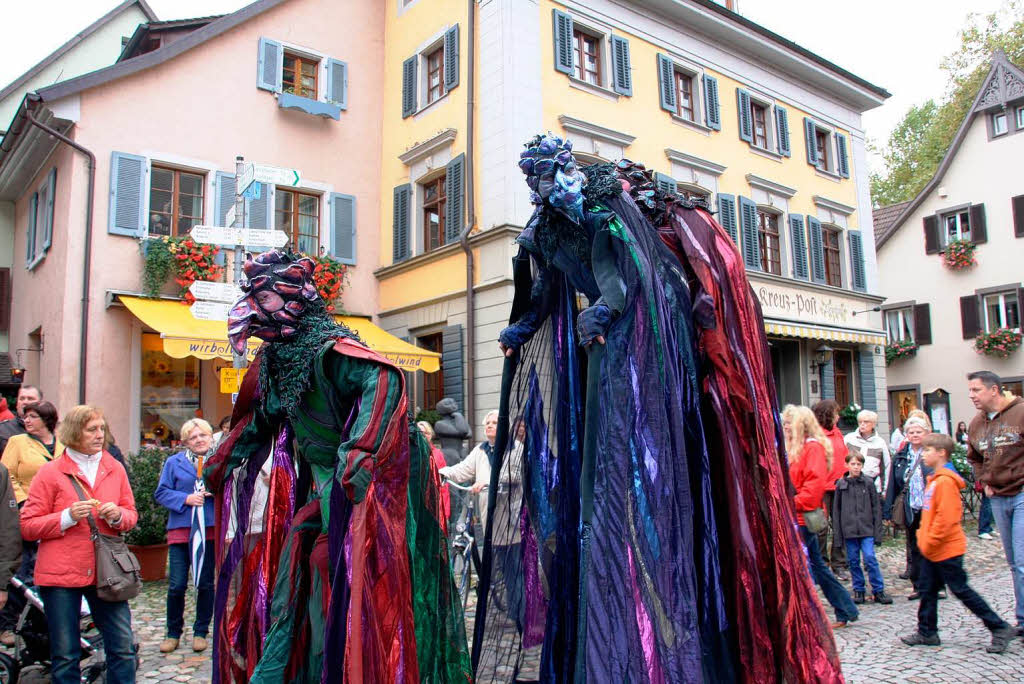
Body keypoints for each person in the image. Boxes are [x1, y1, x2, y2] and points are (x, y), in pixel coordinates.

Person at [206, 251, 469, 682]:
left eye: (266, 300)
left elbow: (382, 378)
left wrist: (360, 449)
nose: (254, 312)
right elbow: (262, 418)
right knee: (302, 576)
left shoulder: (331, 349)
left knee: (347, 578)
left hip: (365, 492)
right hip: (325, 487)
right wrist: (225, 455)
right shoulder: (278, 361)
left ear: (295, 302)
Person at [20, 405, 138, 684]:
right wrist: (65, 517)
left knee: (122, 648)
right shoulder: (50, 473)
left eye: (102, 428)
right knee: (65, 654)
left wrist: (118, 515)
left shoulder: (114, 467)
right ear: (75, 433)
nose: (100, 435)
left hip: (106, 572)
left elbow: (131, 515)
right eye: (92, 429)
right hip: (60, 573)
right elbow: (27, 526)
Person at [901, 433, 1016, 652]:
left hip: (945, 549)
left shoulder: (944, 482)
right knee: (927, 588)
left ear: (941, 453)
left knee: (961, 590)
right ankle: (927, 631)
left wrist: (930, 541)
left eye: (927, 450)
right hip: (932, 549)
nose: (923, 454)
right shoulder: (935, 480)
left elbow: (947, 518)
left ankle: (999, 627)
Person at [439, 410, 524, 629]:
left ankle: (520, 615)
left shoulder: (515, 449)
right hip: (490, 520)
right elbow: (463, 470)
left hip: (511, 522)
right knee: (499, 566)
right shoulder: (480, 450)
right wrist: (442, 471)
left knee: (514, 568)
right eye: (487, 423)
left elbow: (517, 475)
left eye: (495, 422)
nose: (490, 426)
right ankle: (503, 605)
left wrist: (488, 482)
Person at [782, 405, 858, 628]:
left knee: (813, 566)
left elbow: (813, 490)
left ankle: (829, 611)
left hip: (802, 518)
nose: (785, 426)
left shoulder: (812, 448)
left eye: (789, 423)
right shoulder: (796, 448)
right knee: (815, 565)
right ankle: (844, 608)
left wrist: (787, 503)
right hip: (796, 516)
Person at [965, 370, 1024, 635]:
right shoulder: (977, 424)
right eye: (970, 391)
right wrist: (983, 480)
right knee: (1013, 562)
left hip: (1022, 492)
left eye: (976, 390)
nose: (972, 396)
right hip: (998, 496)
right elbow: (974, 456)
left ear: (994, 390)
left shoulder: (1020, 413)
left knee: (1022, 561)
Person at [0, 400, 62, 644]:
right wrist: (23, 500)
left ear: (47, 420)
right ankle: (8, 625)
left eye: (33, 416)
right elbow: (7, 476)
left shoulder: (62, 445)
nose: (26, 420)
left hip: (55, 519)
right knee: (20, 573)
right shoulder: (17, 443)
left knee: (46, 575)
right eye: (25, 417)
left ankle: (45, 626)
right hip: (24, 513)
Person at [155, 418, 216, 654]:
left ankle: (201, 631)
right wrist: (185, 499)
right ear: (186, 441)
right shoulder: (174, 462)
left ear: (211, 437)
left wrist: (215, 492)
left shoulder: (218, 462)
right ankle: (173, 633)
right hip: (181, 530)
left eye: (203, 435)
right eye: (193, 437)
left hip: (209, 530)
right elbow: (161, 492)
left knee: (205, 583)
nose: (199, 440)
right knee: (177, 584)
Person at [833, 451, 891, 605]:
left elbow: (876, 508)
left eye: (859, 464)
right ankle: (859, 589)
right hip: (849, 530)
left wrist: (878, 532)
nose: (856, 467)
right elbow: (836, 512)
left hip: (867, 529)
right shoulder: (841, 484)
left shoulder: (868, 483)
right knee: (853, 561)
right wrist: (838, 537)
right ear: (847, 465)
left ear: (862, 466)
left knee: (870, 558)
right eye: (853, 464)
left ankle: (878, 589)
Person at [885, 416, 935, 598]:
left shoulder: (933, 452)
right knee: (914, 547)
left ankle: (937, 585)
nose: (914, 435)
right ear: (906, 435)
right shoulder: (901, 456)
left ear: (926, 433)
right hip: (910, 507)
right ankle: (919, 586)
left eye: (918, 432)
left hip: (929, 507)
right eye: (911, 432)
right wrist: (888, 509)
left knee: (931, 546)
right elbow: (893, 484)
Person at [813, 399, 849, 578]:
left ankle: (839, 563)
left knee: (840, 526)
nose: (838, 416)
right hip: (820, 488)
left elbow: (844, 456)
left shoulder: (838, 434)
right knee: (820, 527)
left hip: (839, 486)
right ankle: (821, 563)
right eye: (835, 413)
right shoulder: (815, 435)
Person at [844, 409, 892, 496]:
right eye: (860, 422)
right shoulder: (849, 439)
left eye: (866, 422)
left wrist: (885, 490)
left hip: (872, 486)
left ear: (873, 424)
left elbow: (886, 467)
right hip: (850, 485)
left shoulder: (880, 443)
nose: (862, 424)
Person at [417, 421, 450, 527]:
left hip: (434, 505)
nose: (422, 436)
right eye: (419, 433)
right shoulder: (410, 454)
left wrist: (446, 510)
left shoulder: (437, 454)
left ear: (430, 435)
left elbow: (444, 485)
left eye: (425, 433)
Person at [0, 386, 42, 455]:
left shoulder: (49, 429)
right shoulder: (2, 430)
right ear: (17, 404)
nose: (25, 402)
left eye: (30, 399)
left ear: (41, 403)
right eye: (22, 399)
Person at [433, 398, 472, 466]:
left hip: (461, 451)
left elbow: (469, 434)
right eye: (448, 403)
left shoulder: (458, 422)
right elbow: (464, 431)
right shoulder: (439, 424)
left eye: (454, 402)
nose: (454, 404)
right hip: (449, 453)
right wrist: (458, 416)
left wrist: (458, 418)